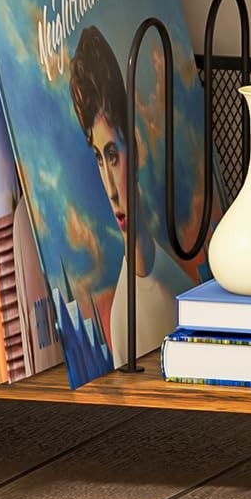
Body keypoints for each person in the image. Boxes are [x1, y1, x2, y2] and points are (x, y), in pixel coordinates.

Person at [69, 24, 192, 367]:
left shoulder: (176, 275)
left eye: (113, 154)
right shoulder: (124, 320)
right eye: (98, 157)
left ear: (135, 150)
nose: (109, 187)